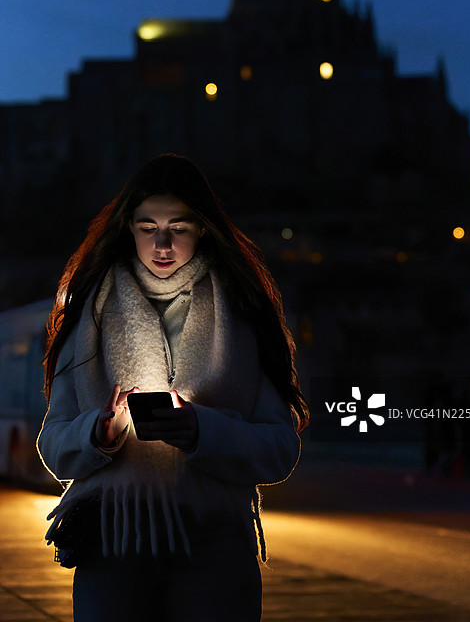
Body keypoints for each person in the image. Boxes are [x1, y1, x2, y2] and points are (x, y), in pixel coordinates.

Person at [37, 153, 308, 622]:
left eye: (178, 227)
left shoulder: (246, 313)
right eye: (147, 227)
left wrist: (202, 431)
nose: (162, 243)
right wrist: (96, 436)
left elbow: (280, 447)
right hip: (111, 545)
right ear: (129, 228)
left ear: (202, 228)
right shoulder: (89, 315)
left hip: (215, 548)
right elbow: (53, 442)